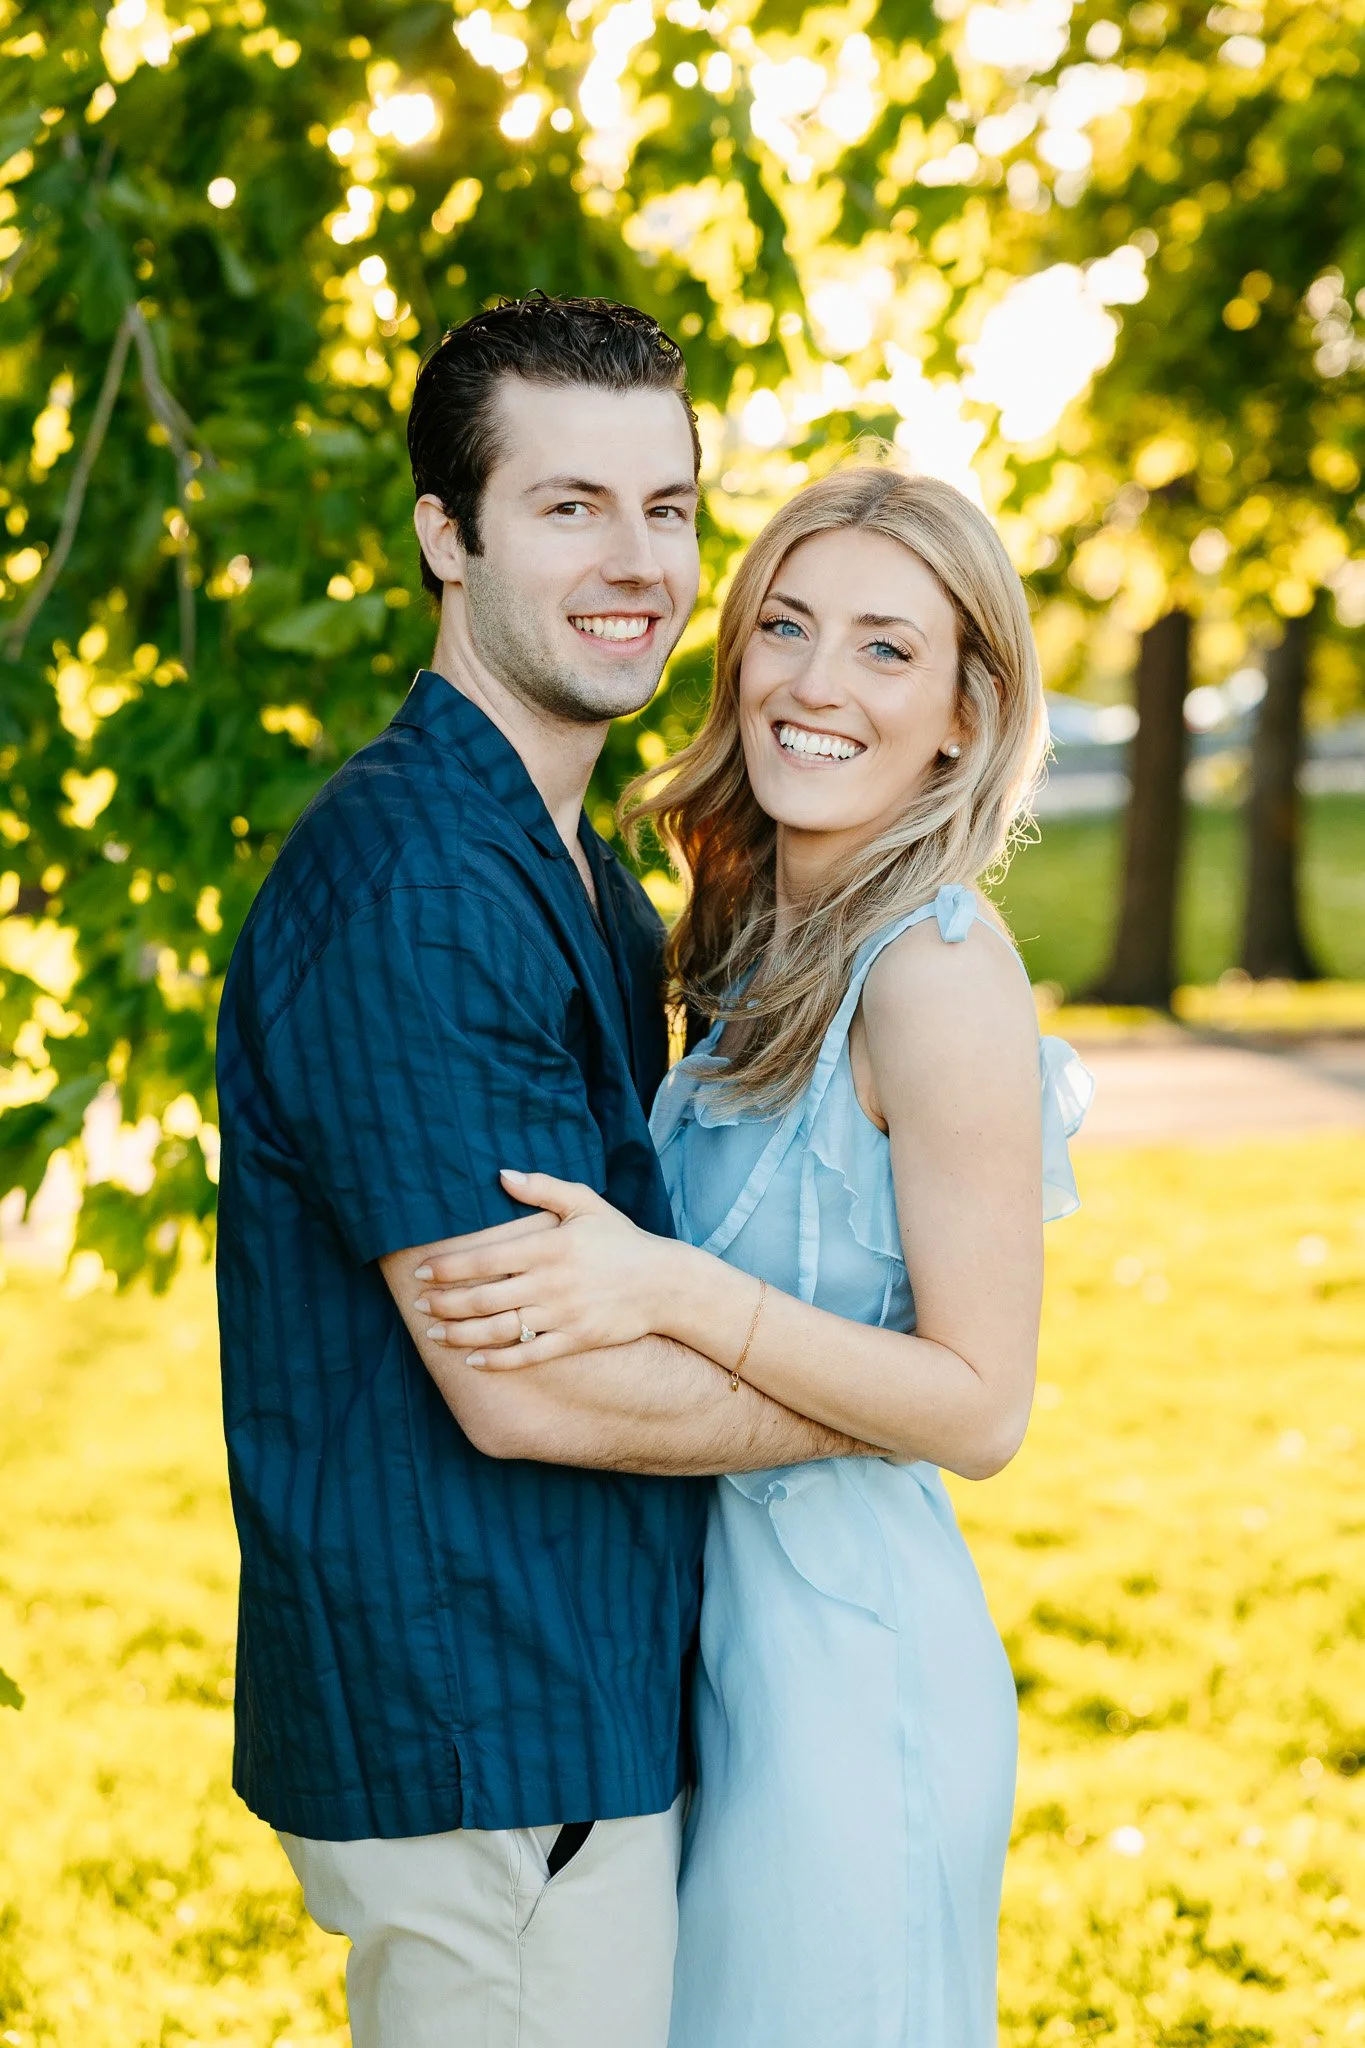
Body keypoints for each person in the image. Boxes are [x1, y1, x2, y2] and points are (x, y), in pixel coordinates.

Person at [215, 293, 874, 2048]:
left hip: (570, 1700)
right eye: (567, 506)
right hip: (486, 1731)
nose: (635, 560)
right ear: (448, 536)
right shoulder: (420, 885)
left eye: (667, 507)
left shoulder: (581, 876)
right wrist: (886, 1402)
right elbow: (531, 1389)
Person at [410, 463, 1093, 2047]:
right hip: (696, 1658)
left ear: (967, 712)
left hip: (852, 1677)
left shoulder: (934, 972)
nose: (813, 683)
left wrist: (673, 1292)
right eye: (786, 626)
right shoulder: (742, 931)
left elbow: (985, 1407)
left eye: (884, 649)